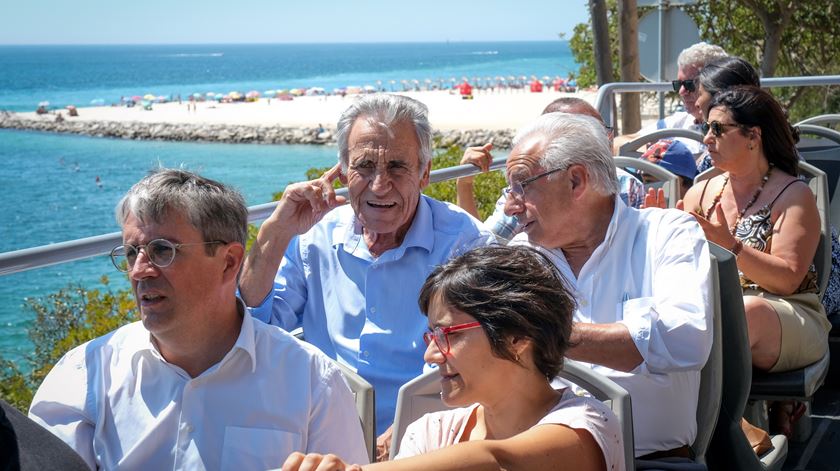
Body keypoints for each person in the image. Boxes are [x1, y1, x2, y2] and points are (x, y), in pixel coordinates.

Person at [29, 169, 368, 469]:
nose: (139, 271)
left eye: (163, 250)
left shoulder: (312, 381)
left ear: (229, 262)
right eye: (132, 252)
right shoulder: (85, 376)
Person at [239, 94, 494, 443]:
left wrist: (405, 435)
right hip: (316, 425)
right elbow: (255, 327)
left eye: (397, 167)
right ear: (343, 173)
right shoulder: (314, 234)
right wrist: (275, 232)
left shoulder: (465, 244)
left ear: (424, 174)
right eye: (365, 166)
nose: (379, 184)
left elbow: (474, 362)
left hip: (428, 435)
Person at [281, 245, 624, 471]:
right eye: (432, 335)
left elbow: (495, 460)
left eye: (451, 334)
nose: (432, 354)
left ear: (518, 336)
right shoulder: (431, 432)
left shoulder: (588, 424)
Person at [503, 112, 713, 458]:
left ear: (576, 181)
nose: (511, 205)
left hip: (648, 459)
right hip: (540, 458)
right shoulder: (520, 258)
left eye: (522, 186)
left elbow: (686, 337)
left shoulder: (666, 233)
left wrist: (549, 338)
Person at [679, 86, 830, 383]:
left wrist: (731, 247)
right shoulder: (701, 192)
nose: (707, 138)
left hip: (785, 314)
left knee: (748, 311)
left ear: (753, 136)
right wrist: (650, 228)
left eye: (718, 129)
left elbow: (787, 280)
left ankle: (721, 422)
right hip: (714, 314)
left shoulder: (793, 195)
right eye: (705, 127)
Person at [456, 97, 646, 241]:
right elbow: (482, 249)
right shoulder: (527, 199)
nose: (603, 142)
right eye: (586, 135)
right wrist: (464, 182)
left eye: (602, 132)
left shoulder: (628, 187)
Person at [613, 42, 728, 155]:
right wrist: (657, 151)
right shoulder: (677, 122)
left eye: (690, 84)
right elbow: (618, 143)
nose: (682, 92)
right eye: (678, 84)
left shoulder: (733, 129)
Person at [694, 56, 761, 173]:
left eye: (717, 128)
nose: (697, 103)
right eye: (706, 128)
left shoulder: (716, 160)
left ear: (720, 96)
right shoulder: (781, 147)